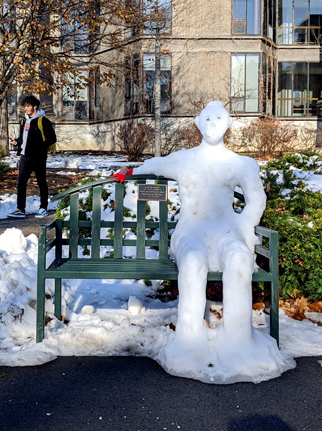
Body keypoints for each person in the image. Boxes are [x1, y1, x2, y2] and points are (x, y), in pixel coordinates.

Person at [112, 101, 290, 381]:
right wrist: (129, 172)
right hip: (191, 230)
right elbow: (156, 165)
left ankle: (239, 339)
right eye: (206, 119)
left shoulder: (241, 164)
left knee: (239, 260)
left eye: (218, 119)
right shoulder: (184, 159)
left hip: (227, 230)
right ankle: (189, 338)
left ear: (228, 124)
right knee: (193, 261)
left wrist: (243, 226)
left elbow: (256, 199)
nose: (211, 125)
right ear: (197, 123)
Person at [8, 95, 56, 218]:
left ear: (34, 106)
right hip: (25, 156)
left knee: (41, 181)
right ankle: (20, 209)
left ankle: (43, 208)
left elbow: (52, 138)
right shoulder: (24, 120)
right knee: (21, 182)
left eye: (28, 106)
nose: (26, 108)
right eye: (25, 106)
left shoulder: (43, 121)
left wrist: (40, 148)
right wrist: (17, 142)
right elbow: (24, 138)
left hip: (38, 157)